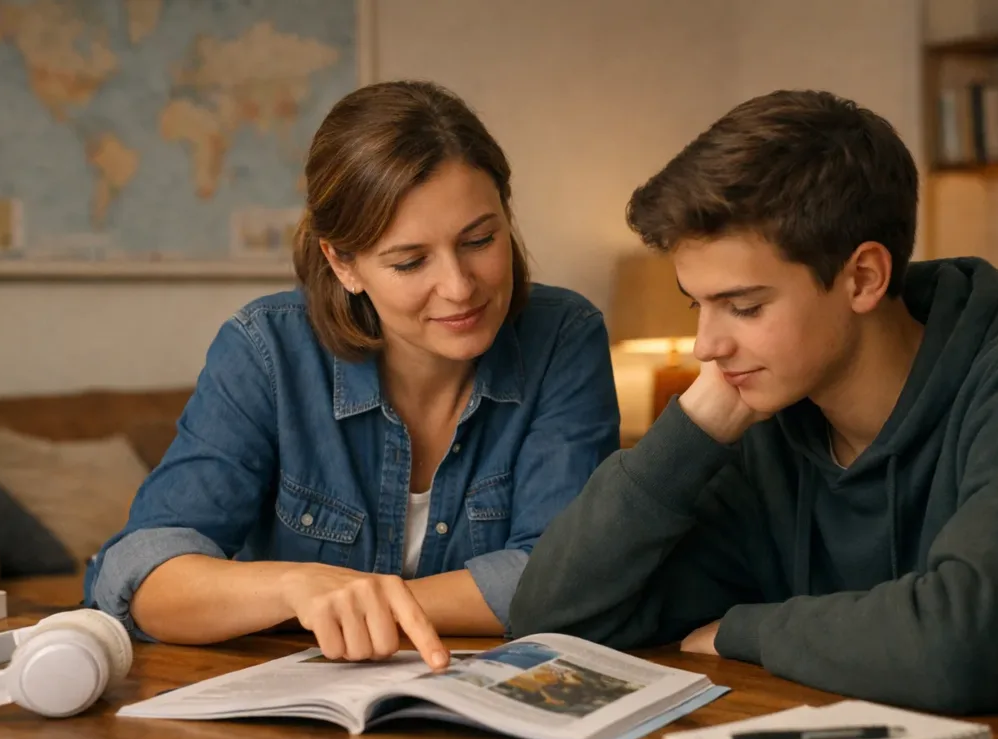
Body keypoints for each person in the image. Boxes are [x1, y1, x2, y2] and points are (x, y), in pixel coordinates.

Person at [508, 89, 998, 720]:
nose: (706, 345)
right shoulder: (760, 418)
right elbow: (552, 617)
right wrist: (688, 433)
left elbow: (964, 645)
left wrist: (749, 627)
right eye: (699, 304)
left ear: (864, 276)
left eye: (743, 306)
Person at [84, 80, 620, 669]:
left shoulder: (564, 336)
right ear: (343, 263)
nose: (461, 286)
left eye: (480, 240)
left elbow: (564, 574)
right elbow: (143, 574)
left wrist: (366, 605)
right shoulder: (266, 351)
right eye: (411, 261)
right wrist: (296, 588)